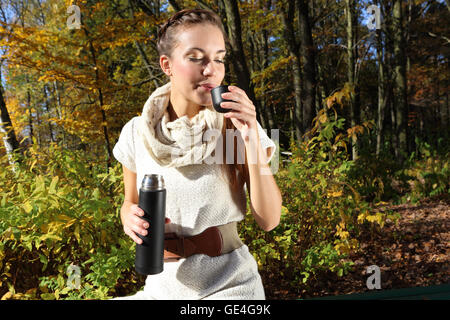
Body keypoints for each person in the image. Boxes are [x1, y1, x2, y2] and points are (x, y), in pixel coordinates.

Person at [111, 8, 282, 300]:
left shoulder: (235, 126)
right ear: (167, 64)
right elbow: (130, 203)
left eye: (218, 58)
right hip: (160, 290)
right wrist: (129, 217)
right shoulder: (137, 132)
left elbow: (270, 219)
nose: (211, 69)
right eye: (195, 57)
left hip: (230, 287)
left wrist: (251, 136)